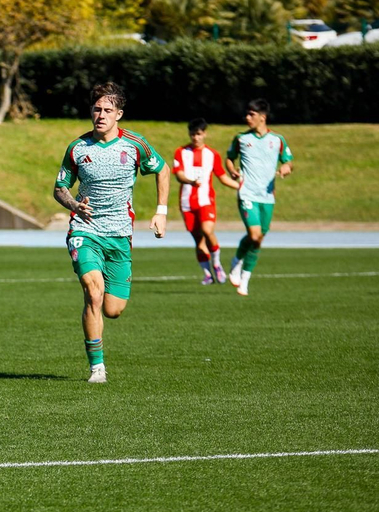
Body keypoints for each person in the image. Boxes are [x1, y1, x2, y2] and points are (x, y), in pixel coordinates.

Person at [53, 82, 169, 384]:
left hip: (119, 234)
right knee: (93, 291)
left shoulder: (135, 145)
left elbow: (162, 169)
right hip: (84, 230)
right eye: (96, 109)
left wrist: (161, 211)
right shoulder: (78, 148)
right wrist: (74, 205)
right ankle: (97, 367)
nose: (100, 114)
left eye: (107, 110)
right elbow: (60, 188)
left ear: (119, 113)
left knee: (113, 309)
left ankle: (105, 303)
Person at [226, 99, 294, 298]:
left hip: (267, 197)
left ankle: (245, 279)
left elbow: (289, 162)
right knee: (254, 234)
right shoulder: (241, 138)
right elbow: (229, 158)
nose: (247, 118)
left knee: (258, 240)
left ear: (262, 117)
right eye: (247, 114)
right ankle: (237, 260)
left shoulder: (278, 140)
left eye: (251, 115)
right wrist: (232, 172)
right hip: (247, 193)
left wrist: (286, 168)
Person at [172, 119, 240, 285]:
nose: (196, 137)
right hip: (187, 203)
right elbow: (178, 174)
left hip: (206, 201)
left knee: (207, 230)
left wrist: (240, 187)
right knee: (198, 240)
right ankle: (207, 274)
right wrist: (190, 181)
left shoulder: (212, 154)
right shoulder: (181, 152)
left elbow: (222, 177)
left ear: (205, 134)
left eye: (199, 134)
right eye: (193, 134)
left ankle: (216, 263)